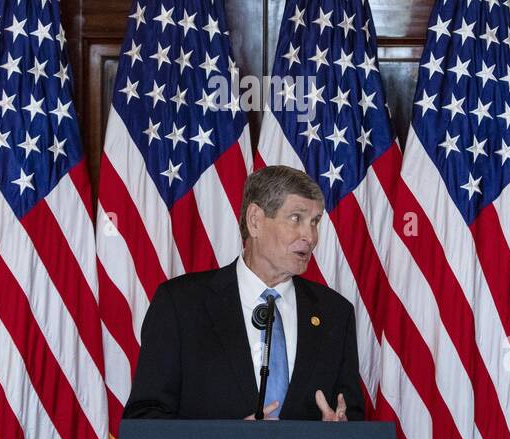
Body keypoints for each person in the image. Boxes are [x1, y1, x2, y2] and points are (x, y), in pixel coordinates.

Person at [123, 165, 364, 422]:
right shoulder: (181, 304)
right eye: (296, 218)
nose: (310, 236)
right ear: (255, 220)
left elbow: (353, 418)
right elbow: (145, 417)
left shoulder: (335, 313)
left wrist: (341, 433)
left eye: (315, 222)